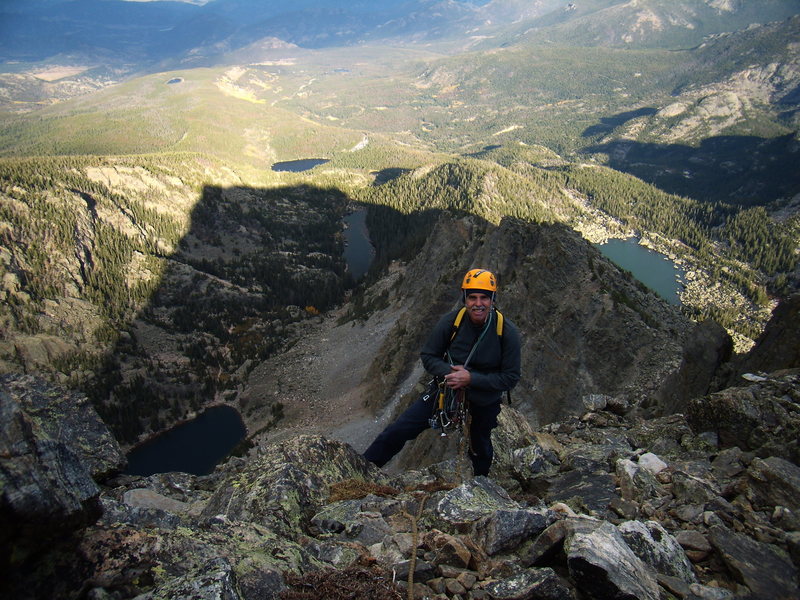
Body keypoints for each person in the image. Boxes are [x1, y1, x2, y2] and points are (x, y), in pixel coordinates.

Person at [363, 268, 521, 476]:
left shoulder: (506, 332)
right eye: (472, 298)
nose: (478, 304)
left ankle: (481, 486)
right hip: (446, 391)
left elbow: (510, 378)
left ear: (493, 300)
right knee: (398, 431)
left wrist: (470, 378)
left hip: (484, 399)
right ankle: (361, 472)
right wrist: (451, 373)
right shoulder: (452, 322)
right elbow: (429, 356)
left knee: (480, 447)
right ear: (465, 298)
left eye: (484, 298)